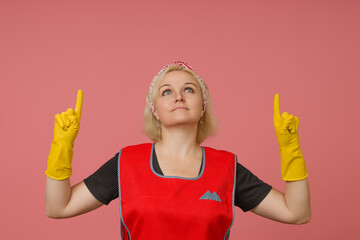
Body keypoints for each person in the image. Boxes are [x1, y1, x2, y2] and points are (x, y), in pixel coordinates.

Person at [45, 61, 311, 239]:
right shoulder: (126, 163)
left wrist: (290, 149)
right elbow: (59, 207)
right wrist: (62, 145)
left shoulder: (227, 169)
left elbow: (296, 213)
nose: (178, 97)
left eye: (188, 89)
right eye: (166, 92)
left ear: (202, 105)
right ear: (155, 110)